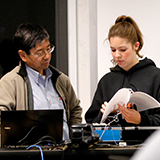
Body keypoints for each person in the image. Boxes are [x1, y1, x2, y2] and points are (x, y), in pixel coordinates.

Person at [0, 23, 82, 140]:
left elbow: (75, 110)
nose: (47, 56)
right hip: (30, 153)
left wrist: (73, 136)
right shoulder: (10, 83)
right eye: (40, 52)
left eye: (49, 49)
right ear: (23, 55)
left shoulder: (61, 80)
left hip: (64, 152)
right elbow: (2, 118)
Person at [85, 15, 160, 140]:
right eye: (113, 50)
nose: (117, 55)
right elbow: (90, 123)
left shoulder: (155, 77)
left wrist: (141, 119)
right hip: (110, 149)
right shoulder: (107, 81)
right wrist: (105, 114)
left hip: (146, 148)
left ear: (136, 46)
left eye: (123, 50)